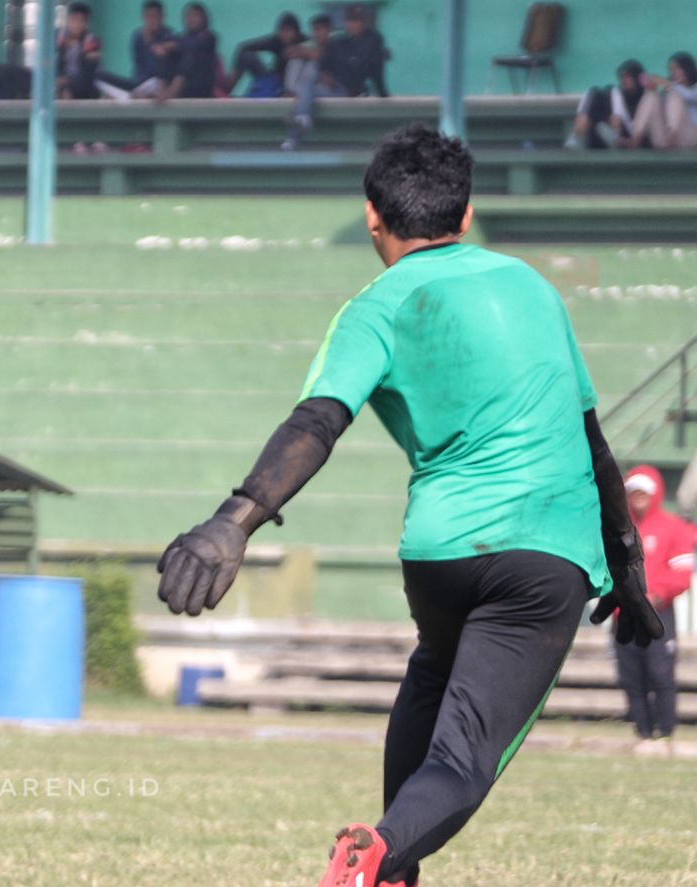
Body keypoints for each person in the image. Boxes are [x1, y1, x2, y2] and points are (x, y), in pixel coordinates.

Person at [155, 124, 663, 887]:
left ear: (372, 215)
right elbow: (593, 445)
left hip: (439, 554)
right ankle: (381, 855)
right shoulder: (532, 287)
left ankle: (387, 869)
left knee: (435, 669)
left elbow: (315, 423)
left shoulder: (372, 307)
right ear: (465, 215)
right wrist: (627, 566)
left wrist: (234, 522)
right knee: (465, 758)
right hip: (544, 556)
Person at [614, 466, 694, 756]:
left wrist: (656, 593)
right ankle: (642, 733)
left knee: (660, 674)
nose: (638, 498)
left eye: (643, 492)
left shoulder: (673, 527)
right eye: (633, 492)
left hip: (658, 614)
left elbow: (682, 574)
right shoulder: (618, 529)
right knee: (631, 676)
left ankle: (665, 732)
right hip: (624, 616)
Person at [284, 5, 389, 149]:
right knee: (306, 88)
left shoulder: (372, 40)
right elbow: (323, 64)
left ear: (364, 22)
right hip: (333, 88)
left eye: (357, 21)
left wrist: (383, 94)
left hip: (349, 90)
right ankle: (296, 134)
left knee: (305, 95)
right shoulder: (339, 42)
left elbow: (373, 69)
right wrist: (325, 75)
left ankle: (299, 127)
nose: (353, 25)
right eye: (350, 21)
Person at [97, 1, 177, 100]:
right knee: (99, 77)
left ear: (162, 17)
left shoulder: (168, 35)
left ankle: (128, 97)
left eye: (155, 16)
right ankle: (129, 96)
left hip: (156, 83)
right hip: (138, 84)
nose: (152, 20)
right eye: (149, 16)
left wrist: (163, 48)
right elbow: (139, 67)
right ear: (144, 17)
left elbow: (174, 48)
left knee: (157, 81)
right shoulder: (138, 36)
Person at [564, 59, 648, 150]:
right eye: (622, 77)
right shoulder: (616, 93)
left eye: (627, 77)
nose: (623, 80)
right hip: (609, 137)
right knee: (595, 92)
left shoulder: (648, 97)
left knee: (611, 94)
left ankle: (613, 135)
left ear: (637, 78)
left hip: (633, 140)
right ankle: (577, 136)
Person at [624, 51, 697, 150]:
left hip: (689, 136)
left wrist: (669, 85)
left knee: (674, 96)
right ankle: (635, 138)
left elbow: (691, 96)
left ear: (687, 68)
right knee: (651, 96)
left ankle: (672, 134)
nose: (673, 72)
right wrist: (653, 88)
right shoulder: (673, 88)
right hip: (664, 140)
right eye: (671, 69)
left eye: (677, 68)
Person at [225, 12, 305, 98]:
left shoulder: (304, 42)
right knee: (247, 56)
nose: (284, 34)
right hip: (273, 81)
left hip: (294, 85)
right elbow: (243, 47)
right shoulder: (276, 41)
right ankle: (226, 92)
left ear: (296, 32)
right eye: (282, 30)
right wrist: (233, 74)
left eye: (288, 30)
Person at [157, 2, 219, 102]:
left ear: (203, 18)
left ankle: (173, 91)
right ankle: (162, 89)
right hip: (183, 86)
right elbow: (167, 45)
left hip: (200, 84)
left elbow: (194, 45)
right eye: (188, 16)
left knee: (190, 53)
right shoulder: (181, 37)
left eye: (195, 16)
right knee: (166, 54)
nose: (191, 19)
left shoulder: (209, 36)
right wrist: (164, 48)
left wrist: (175, 46)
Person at [56, 2, 103, 100]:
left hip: (81, 87)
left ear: (86, 24)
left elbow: (88, 76)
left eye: (81, 21)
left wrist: (66, 82)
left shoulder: (92, 42)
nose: (76, 25)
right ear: (68, 20)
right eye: (73, 19)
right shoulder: (58, 38)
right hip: (57, 82)